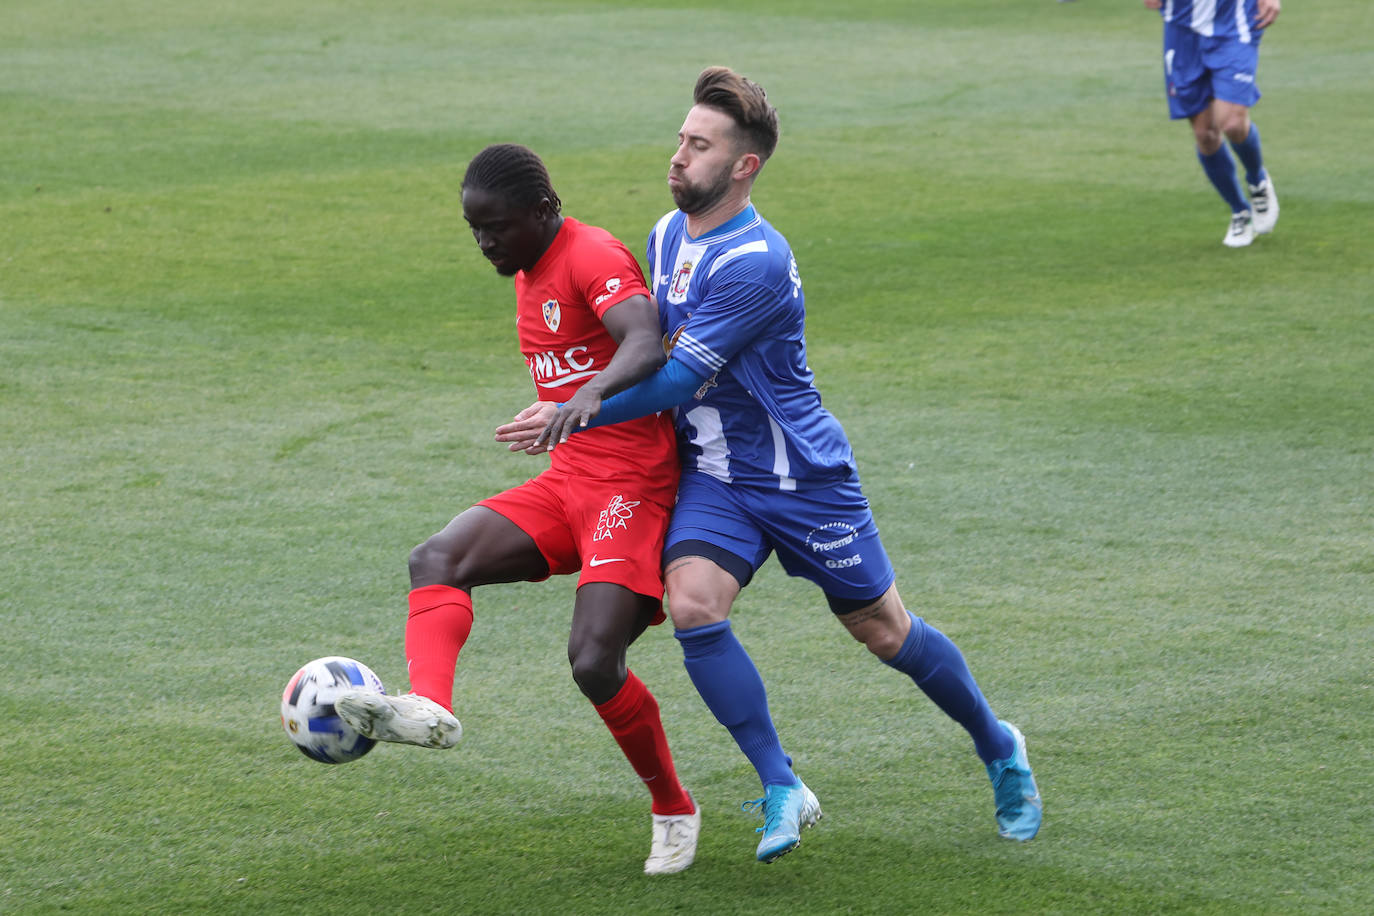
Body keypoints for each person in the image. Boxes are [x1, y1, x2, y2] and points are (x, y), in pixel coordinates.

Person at [500, 67, 1042, 864]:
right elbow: (641, 350)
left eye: (699, 145)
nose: (678, 155)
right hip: (716, 475)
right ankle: (781, 782)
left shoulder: (754, 258)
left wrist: (573, 408)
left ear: (744, 165)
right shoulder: (663, 235)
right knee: (692, 605)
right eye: (681, 138)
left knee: (884, 631)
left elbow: (679, 377)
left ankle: (999, 746)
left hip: (801, 476)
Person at [336, 143, 700, 876]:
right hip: (570, 480)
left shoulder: (591, 254)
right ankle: (429, 707)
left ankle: (672, 807)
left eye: (495, 227)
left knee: (595, 663)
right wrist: (566, 414)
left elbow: (645, 340)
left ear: (541, 211)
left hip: (629, 485)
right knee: (437, 559)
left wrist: (582, 400)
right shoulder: (530, 267)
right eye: (474, 230)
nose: (485, 243)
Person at [1144, 0, 1282, 247]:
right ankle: (1240, 211)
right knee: (1205, 134)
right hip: (1182, 28)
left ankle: (1257, 179)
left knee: (1232, 123)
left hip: (1234, 21)